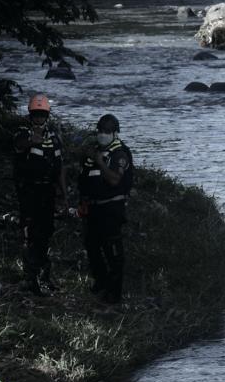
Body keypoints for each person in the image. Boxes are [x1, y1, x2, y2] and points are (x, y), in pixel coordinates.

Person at [12, 94, 68, 295]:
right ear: (30, 115)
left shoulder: (53, 136)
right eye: (36, 115)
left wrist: (63, 193)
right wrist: (31, 141)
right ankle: (31, 277)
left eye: (42, 115)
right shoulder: (22, 133)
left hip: (48, 191)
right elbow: (19, 145)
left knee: (45, 232)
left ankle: (44, 275)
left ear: (47, 116)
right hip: (29, 191)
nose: (39, 118)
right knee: (30, 233)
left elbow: (59, 166)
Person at [78, 113, 134, 304]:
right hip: (93, 208)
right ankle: (101, 283)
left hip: (111, 209)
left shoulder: (120, 154)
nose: (102, 134)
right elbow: (84, 178)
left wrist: (100, 161)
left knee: (113, 252)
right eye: (100, 130)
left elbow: (114, 180)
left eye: (107, 131)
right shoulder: (94, 151)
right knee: (92, 247)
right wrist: (83, 200)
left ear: (115, 133)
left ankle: (114, 295)